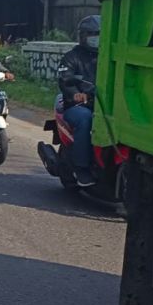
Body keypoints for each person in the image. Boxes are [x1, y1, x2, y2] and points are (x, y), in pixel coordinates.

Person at [57, 15, 102, 187]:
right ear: (82, 35)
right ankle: (81, 168)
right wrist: (76, 94)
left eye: (98, 33)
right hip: (77, 105)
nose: (94, 37)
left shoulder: (109, 56)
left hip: (103, 103)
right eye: (90, 33)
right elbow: (65, 79)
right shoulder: (71, 57)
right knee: (85, 119)